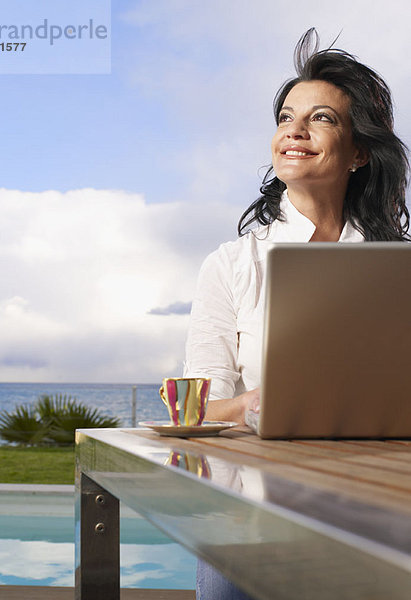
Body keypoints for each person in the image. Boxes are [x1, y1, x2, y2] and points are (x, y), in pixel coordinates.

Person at [183, 28, 409, 600]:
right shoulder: (232, 264)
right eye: (287, 116)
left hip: (378, 503)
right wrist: (254, 405)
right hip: (253, 510)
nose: (295, 130)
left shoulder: (399, 270)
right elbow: (197, 404)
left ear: (360, 151)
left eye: (323, 118)